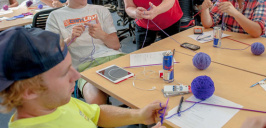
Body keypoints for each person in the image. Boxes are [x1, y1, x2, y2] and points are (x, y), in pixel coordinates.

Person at [0, 27, 167, 128]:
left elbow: (97, 114)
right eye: (65, 73)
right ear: (29, 91)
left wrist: (138, 115)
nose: (77, 75)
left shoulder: (53, 101)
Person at [46, 0, 124, 105]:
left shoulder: (101, 10)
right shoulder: (55, 17)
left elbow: (115, 45)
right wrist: (69, 39)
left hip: (114, 59)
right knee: (96, 103)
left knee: (143, 85)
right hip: (85, 67)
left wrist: (102, 35)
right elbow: (50, 54)